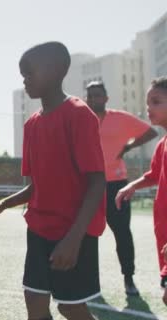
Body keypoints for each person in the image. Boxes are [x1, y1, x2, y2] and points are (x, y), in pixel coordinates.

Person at [0, 42, 106, 320]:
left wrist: (73, 239)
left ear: (57, 71)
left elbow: (96, 183)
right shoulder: (32, 124)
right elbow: (38, 186)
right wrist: (2, 204)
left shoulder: (80, 115)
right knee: (34, 301)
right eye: (22, 74)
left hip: (72, 232)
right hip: (39, 230)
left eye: (30, 72)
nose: (25, 79)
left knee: (70, 307)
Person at [85, 80, 157, 295]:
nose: (93, 99)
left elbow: (151, 132)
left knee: (123, 233)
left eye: (97, 95)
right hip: (89, 186)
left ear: (105, 98)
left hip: (116, 185)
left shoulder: (120, 118)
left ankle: (129, 278)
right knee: (87, 234)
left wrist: (128, 146)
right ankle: (90, 281)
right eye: (90, 96)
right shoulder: (82, 120)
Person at [116, 76, 167, 305]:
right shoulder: (162, 144)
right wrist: (132, 185)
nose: (149, 108)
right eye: (148, 103)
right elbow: (155, 174)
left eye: (156, 101)